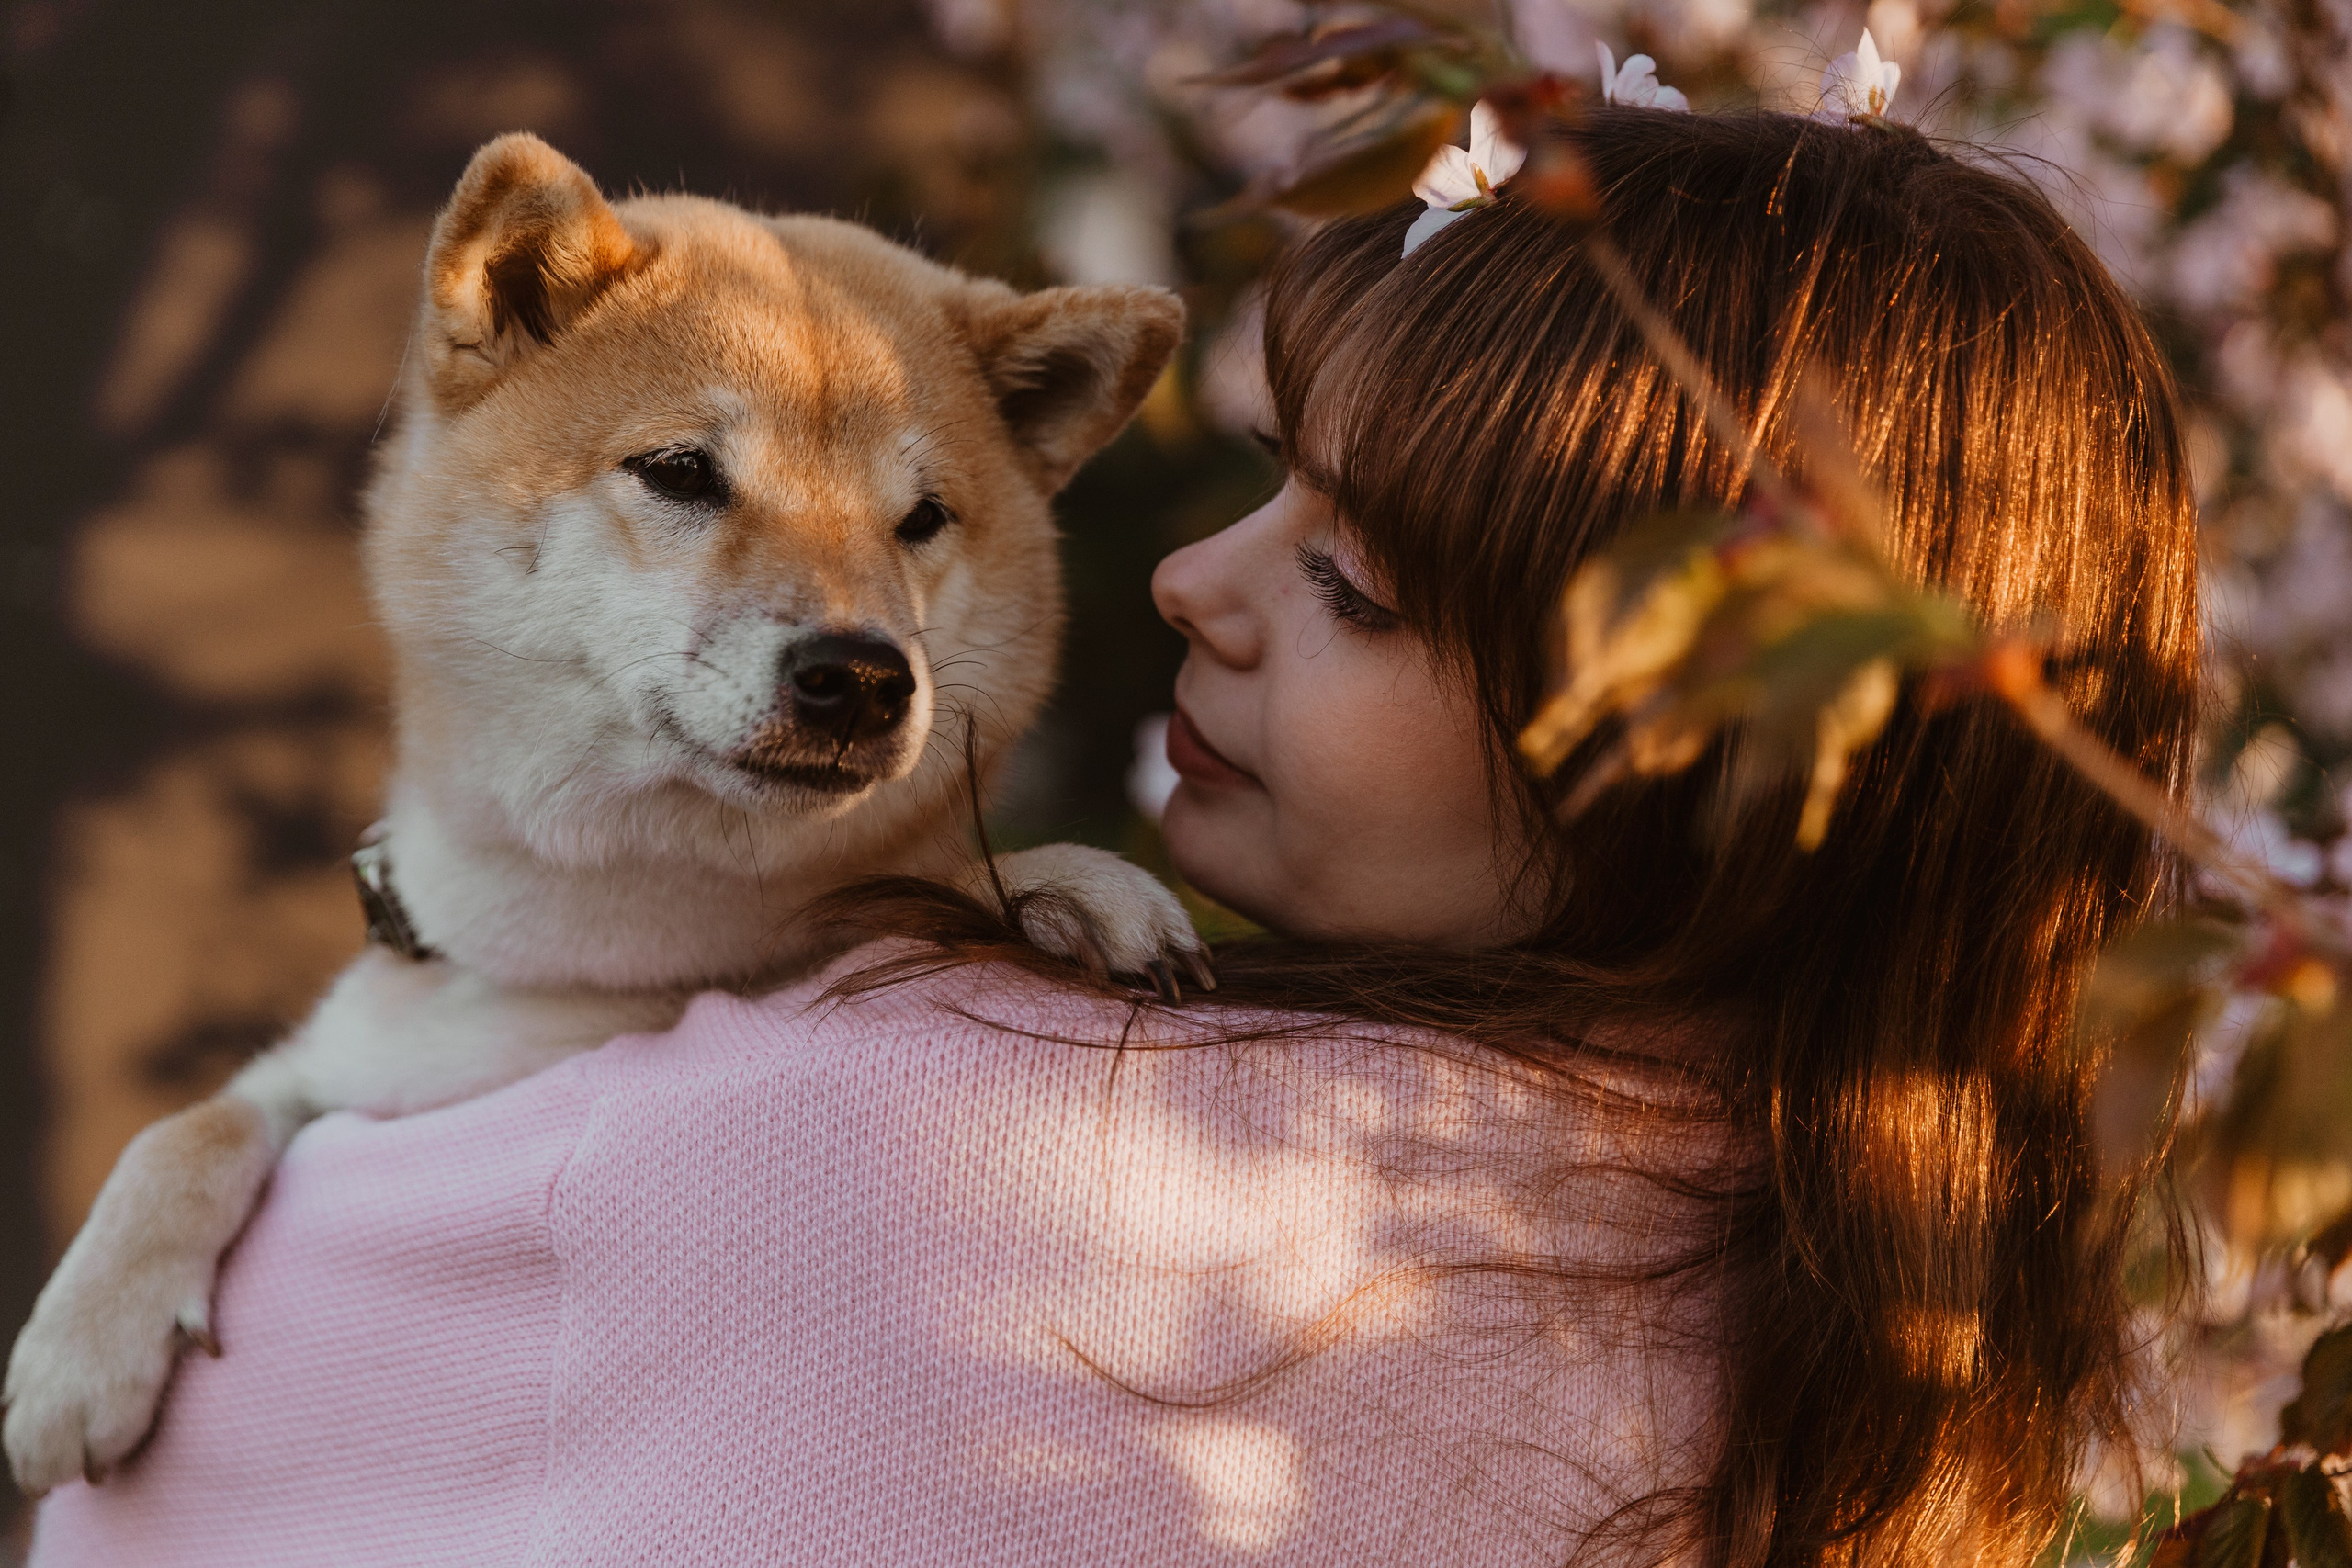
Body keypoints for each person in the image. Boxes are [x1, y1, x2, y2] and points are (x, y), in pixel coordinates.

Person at [28, 104, 2198, 1567]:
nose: (1188, 581)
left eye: (1350, 585)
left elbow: (155, 1494)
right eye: (1270, 491)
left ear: (1700, 760)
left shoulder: (890, 1150)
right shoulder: (1905, 1338)